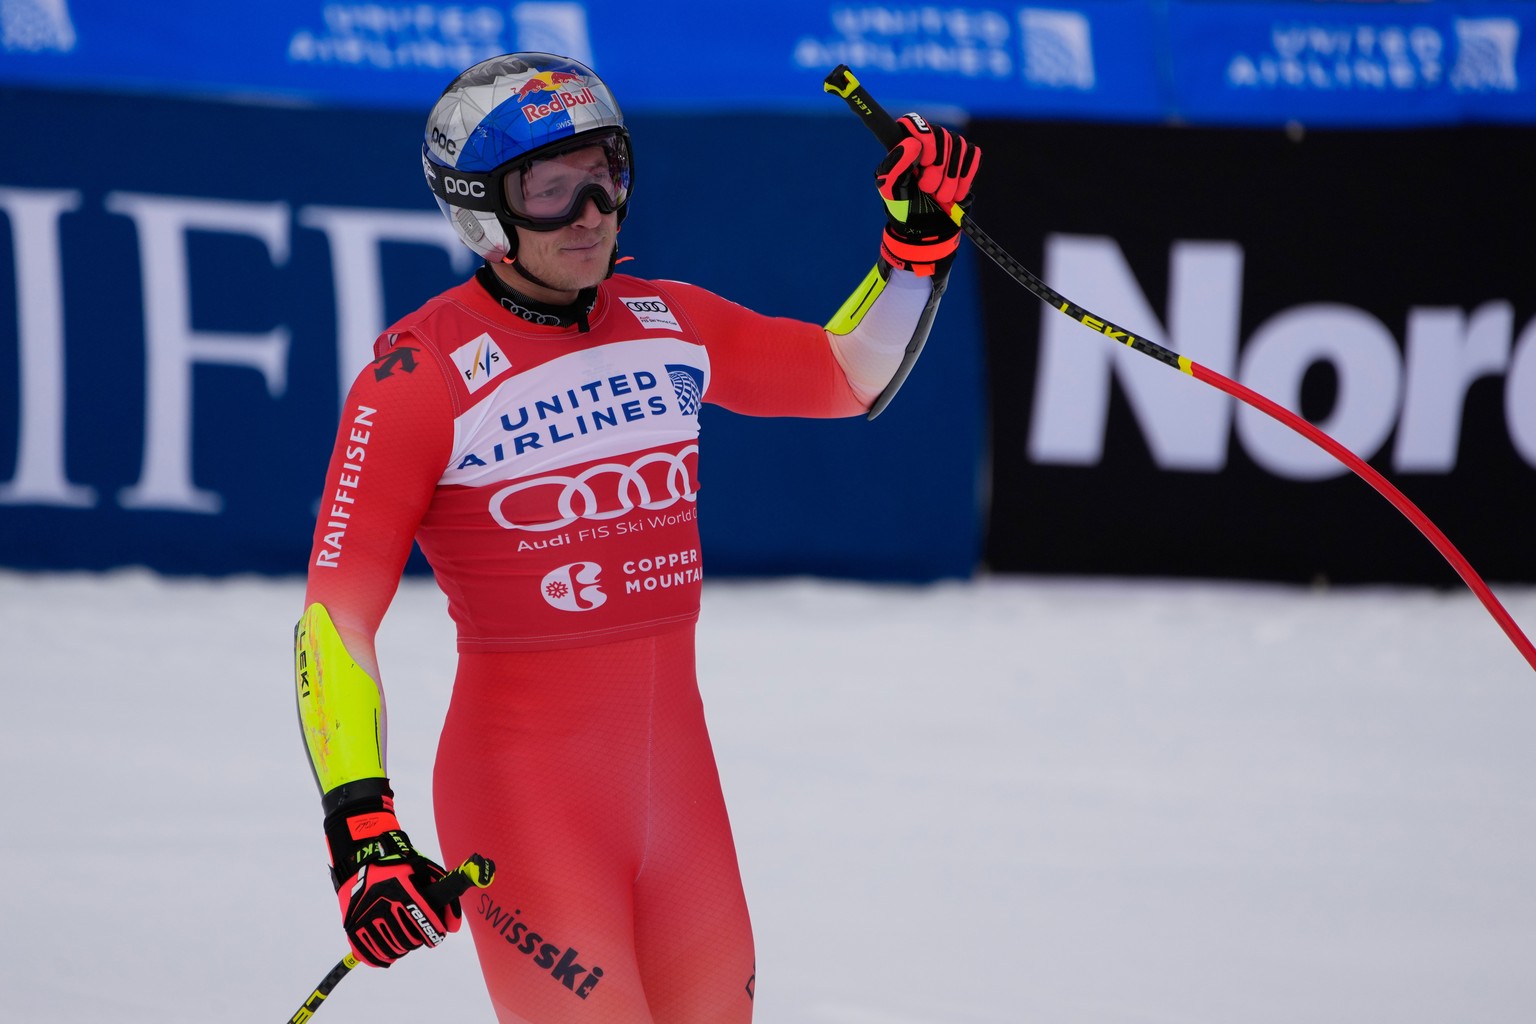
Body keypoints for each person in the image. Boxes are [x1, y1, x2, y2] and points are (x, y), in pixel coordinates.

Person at [292, 51, 979, 1024]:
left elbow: (845, 373)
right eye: (549, 187)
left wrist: (912, 252)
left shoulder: (667, 321)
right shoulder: (418, 376)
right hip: (527, 807)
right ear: (481, 211)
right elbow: (336, 618)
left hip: (678, 803)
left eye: (606, 172)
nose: (590, 212)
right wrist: (361, 829)